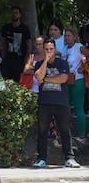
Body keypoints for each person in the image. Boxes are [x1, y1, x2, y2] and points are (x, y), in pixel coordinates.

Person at [32, 38, 80, 168]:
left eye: (51, 49)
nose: (49, 52)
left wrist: (46, 79)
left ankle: (69, 158)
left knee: (65, 130)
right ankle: (41, 158)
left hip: (61, 102)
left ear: (55, 49)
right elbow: (38, 77)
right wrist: (46, 61)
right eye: (46, 49)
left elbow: (63, 78)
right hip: (45, 102)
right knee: (42, 131)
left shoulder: (62, 63)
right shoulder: (39, 64)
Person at [62, 27, 86, 143]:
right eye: (65, 36)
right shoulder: (65, 48)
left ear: (74, 36)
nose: (67, 38)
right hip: (67, 81)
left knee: (78, 108)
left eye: (69, 36)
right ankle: (66, 133)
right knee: (65, 107)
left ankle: (82, 135)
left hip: (78, 81)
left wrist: (84, 68)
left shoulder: (79, 47)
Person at [1, 6, 32, 82]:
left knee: (18, 82)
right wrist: (2, 58)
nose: (14, 14)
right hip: (8, 59)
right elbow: (3, 44)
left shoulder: (24, 29)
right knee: (6, 82)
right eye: (12, 13)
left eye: (16, 13)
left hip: (20, 60)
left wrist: (26, 61)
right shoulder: (6, 28)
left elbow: (29, 46)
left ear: (20, 15)